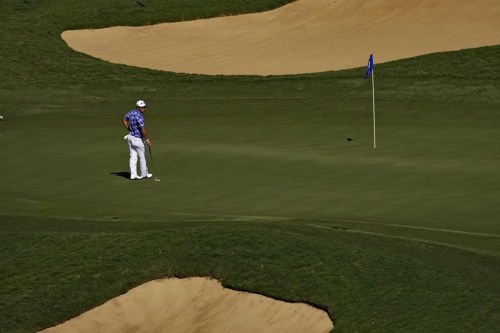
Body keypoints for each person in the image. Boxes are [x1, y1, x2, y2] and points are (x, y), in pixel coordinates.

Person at [122, 100, 152, 180]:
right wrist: (147, 140)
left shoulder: (131, 112)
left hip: (130, 138)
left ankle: (133, 175)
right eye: (142, 107)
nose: (143, 109)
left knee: (133, 157)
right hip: (137, 140)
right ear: (137, 107)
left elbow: (124, 119)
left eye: (144, 107)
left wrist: (129, 129)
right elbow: (143, 129)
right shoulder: (140, 117)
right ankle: (144, 175)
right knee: (142, 157)